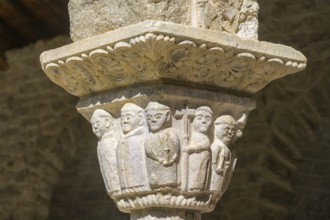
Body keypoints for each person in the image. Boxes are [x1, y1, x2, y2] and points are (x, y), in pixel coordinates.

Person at [144, 102, 180, 189]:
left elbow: (176, 149)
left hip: (168, 166)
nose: (153, 120)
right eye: (149, 118)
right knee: (154, 182)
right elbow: (148, 150)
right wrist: (158, 158)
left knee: (168, 182)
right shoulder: (149, 136)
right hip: (154, 165)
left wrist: (172, 159)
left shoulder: (170, 133)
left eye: (158, 116)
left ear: (167, 116)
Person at [117, 103, 150, 192]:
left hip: (141, 187)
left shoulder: (143, 138)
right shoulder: (122, 139)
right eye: (122, 118)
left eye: (128, 117)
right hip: (126, 188)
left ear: (140, 119)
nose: (124, 121)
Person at [91, 109, 120, 196]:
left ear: (107, 122)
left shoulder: (111, 139)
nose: (95, 127)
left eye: (98, 123)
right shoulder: (102, 142)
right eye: (92, 125)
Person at [185, 106, 213, 191]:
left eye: (208, 119)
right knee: (193, 171)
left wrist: (193, 148)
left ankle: (196, 187)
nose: (204, 121)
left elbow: (206, 145)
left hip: (202, 158)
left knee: (199, 172)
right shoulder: (193, 134)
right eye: (199, 118)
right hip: (194, 158)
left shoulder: (204, 137)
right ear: (192, 121)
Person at [210, 115, 237, 194]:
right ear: (217, 129)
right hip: (217, 173)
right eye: (227, 129)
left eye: (233, 130)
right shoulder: (216, 145)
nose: (230, 133)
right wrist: (215, 167)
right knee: (215, 189)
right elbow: (213, 160)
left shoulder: (228, 147)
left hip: (224, 173)